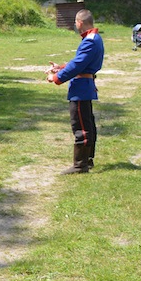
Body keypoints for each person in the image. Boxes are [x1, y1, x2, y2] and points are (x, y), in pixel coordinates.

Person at [48, 9, 104, 175]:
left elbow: (78, 65)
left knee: (81, 126)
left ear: (80, 23)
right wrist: (61, 67)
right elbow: (79, 62)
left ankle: (80, 165)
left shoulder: (90, 41)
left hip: (81, 88)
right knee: (87, 123)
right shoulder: (93, 38)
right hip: (84, 86)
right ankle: (87, 159)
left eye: (75, 22)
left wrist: (55, 77)